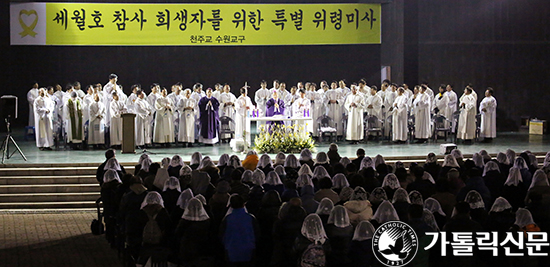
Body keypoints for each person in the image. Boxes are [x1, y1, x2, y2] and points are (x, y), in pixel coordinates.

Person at [220, 194, 260, 266]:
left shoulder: (227, 219)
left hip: (231, 251)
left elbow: (222, 235)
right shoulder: (251, 218)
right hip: (249, 250)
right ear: (243, 204)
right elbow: (257, 234)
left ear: (231, 205)